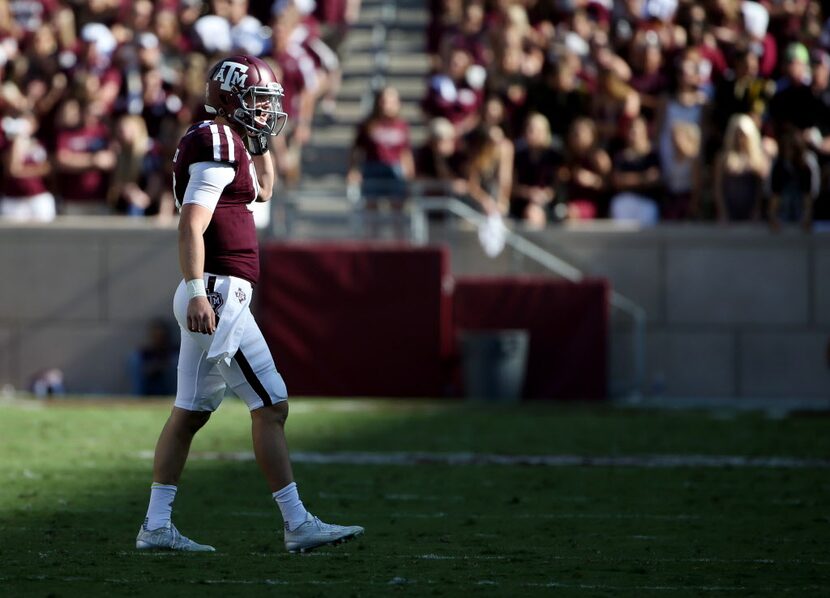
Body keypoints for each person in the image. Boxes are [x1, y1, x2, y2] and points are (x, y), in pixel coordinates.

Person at [136, 54, 363, 554]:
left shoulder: (233, 140)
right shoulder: (215, 140)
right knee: (256, 405)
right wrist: (196, 289)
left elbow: (265, 190)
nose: (266, 111)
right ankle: (294, 523)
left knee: (223, 410)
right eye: (259, 100)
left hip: (223, 293)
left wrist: (260, 145)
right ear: (231, 97)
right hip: (217, 292)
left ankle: (159, 525)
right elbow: (192, 222)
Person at [713, 114, 769, 223]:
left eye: (743, 135)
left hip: (749, 211)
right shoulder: (723, 159)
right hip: (729, 211)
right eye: (737, 134)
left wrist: (756, 210)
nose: (740, 138)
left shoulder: (758, 159)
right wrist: (722, 212)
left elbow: (759, 188)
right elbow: (718, 186)